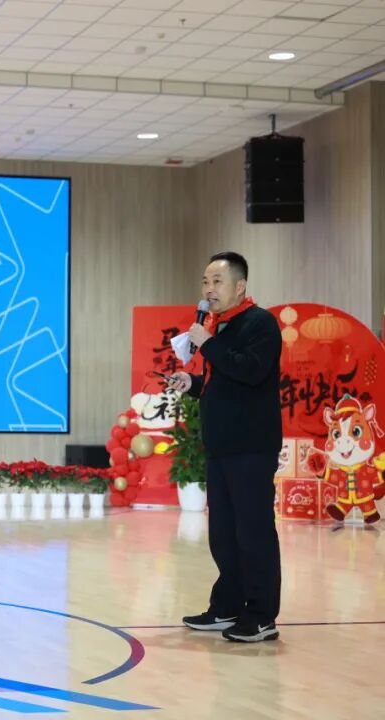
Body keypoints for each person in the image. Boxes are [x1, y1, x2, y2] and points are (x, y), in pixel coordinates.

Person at [169, 251, 283, 643]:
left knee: (253, 531)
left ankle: (262, 615)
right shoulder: (220, 328)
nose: (209, 289)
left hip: (251, 446)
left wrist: (208, 344)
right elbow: (226, 382)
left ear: (240, 286)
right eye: (205, 281)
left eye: (217, 281)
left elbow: (251, 372)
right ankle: (228, 606)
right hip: (221, 446)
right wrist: (193, 384)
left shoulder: (260, 323)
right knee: (223, 533)